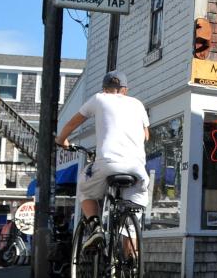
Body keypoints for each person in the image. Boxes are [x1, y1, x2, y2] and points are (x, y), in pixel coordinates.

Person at [56, 70, 149, 251]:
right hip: (137, 168)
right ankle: (130, 271)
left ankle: (96, 228)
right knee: (131, 221)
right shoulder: (137, 104)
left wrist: (62, 140)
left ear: (105, 89)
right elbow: (146, 136)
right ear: (125, 90)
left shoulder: (99, 98)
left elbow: (71, 124)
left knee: (85, 189)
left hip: (108, 163)